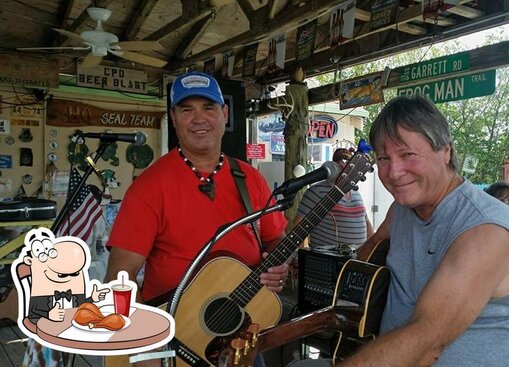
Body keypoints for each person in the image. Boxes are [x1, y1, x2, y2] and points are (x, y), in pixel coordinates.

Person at [335, 95, 509, 366]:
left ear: (445, 151)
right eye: (384, 158)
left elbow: (427, 344)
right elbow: (370, 252)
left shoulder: (487, 230)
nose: (394, 172)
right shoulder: (401, 210)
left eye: (407, 154)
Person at [104, 71, 288, 365]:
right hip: (175, 342)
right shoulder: (149, 187)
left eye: (209, 108)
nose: (198, 118)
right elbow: (119, 277)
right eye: (187, 109)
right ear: (174, 118)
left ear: (225, 115)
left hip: (245, 330)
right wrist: (145, 342)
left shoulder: (250, 179)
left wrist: (279, 265)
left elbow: (276, 238)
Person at [293, 148, 374, 254]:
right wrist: (301, 258)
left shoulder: (356, 193)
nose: (343, 167)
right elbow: (298, 228)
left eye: (347, 164)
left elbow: (367, 225)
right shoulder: (315, 191)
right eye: (340, 164)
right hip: (325, 262)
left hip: (357, 262)